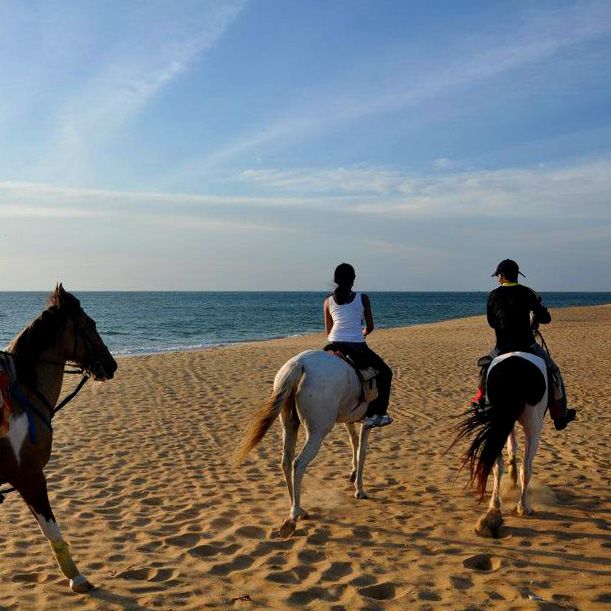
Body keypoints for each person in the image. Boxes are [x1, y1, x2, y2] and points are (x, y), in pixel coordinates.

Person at [475, 259, 576, 430]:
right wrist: (533, 318)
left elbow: (492, 323)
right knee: (554, 371)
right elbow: (546, 318)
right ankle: (560, 414)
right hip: (527, 345)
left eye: (498, 276)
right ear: (517, 275)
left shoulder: (493, 295)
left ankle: (481, 402)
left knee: (484, 369)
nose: (498, 279)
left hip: (502, 346)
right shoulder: (528, 293)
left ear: (502, 276)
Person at [323, 263, 393, 430]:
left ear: (336, 280)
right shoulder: (363, 298)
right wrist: (362, 332)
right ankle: (376, 414)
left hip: (333, 345)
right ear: (353, 280)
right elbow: (370, 327)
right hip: (356, 346)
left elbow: (329, 331)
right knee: (385, 373)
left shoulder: (327, 301)